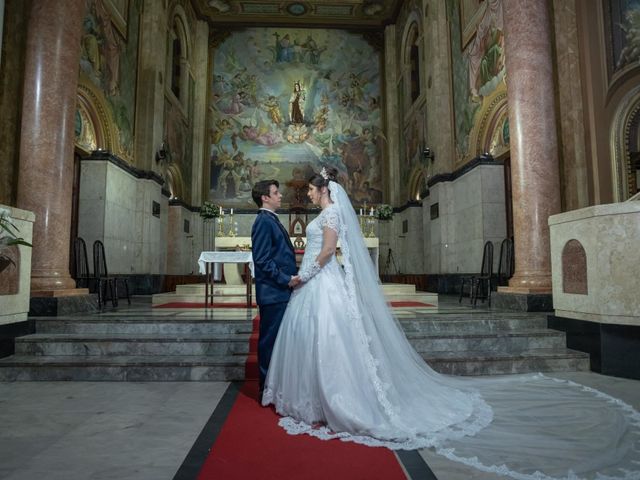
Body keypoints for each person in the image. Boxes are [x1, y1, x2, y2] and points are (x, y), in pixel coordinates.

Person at [262, 167, 640, 479]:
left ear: (322, 190)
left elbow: (328, 251)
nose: (307, 195)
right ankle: (317, 394)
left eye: (310, 190)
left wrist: (303, 276)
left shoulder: (329, 215)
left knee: (332, 339)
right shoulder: (327, 213)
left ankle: (336, 397)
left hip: (319, 281)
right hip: (317, 284)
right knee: (324, 338)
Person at [251, 180, 300, 398]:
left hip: (279, 291)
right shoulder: (263, 221)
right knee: (270, 342)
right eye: (275, 193)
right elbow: (262, 260)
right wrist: (285, 279)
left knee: (279, 341)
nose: (280, 195)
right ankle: (265, 389)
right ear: (265, 197)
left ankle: (276, 386)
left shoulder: (272, 219)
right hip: (273, 292)